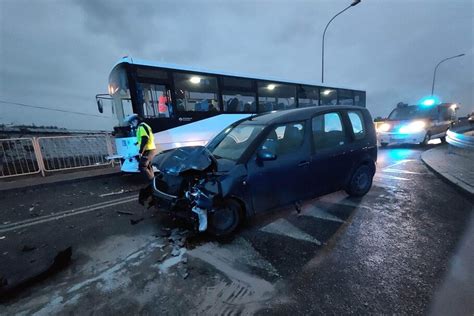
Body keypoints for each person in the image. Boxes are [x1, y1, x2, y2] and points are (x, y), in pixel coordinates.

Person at [125, 114, 157, 180]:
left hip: (148, 149)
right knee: (148, 166)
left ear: (136, 121)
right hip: (150, 149)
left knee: (142, 166)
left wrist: (141, 151)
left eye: (132, 122)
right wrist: (137, 143)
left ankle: (151, 181)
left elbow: (145, 139)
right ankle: (153, 181)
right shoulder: (144, 126)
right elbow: (145, 137)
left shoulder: (141, 127)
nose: (132, 124)